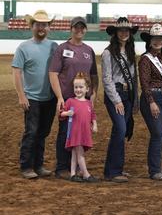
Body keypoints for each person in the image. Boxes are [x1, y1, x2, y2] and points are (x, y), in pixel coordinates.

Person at [49, 16, 98, 180]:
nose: (79, 30)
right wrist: (59, 97)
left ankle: (75, 167)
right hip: (68, 99)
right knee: (65, 132)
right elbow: (53, 73)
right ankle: (62, 167)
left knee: (80, 132)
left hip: (83, 100)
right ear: (71, 28)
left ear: (85, 29)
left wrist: (93, 94)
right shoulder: (62, 49)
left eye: (82, 27)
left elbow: (93, 75)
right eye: (76, 27)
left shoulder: (88, 50)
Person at [12, 10, 58, 179]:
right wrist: (21, 96)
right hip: (31, 98)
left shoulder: (54, 47)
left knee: (43, 132)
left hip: (50, 98)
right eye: (38, 24)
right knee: (31, 132)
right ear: (32, 26)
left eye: (44, 25)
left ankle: (38, 165)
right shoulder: (23, 47)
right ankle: (26, 166)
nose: (41, 28)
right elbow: (17, 72)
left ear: (49, 27)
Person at [102, 17, 139, 183]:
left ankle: (113, 169)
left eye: (127, 31)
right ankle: (114, 171)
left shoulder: (131, 52)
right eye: (121, 30)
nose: (124, 33)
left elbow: (133, 77)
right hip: (115, 94)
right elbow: (107, 79)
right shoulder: (108, 53)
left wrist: (133, 99)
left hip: (128, 94)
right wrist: (116, 100)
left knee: (119, 131)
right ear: (116, 33)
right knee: (120, 128)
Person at [139, 24, 162, 181]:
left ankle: (157, 166)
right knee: (158, 133)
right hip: (153, 98)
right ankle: (154, 170)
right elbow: (144, 83)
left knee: (160, 134)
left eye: (161, 39)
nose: (158, 41)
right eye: (155, 38)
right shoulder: (145, 59)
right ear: (150, 40)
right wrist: (151, 102)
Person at [60, 72, 98, 182]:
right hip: (75, 133)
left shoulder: (88, 103)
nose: (78, 90)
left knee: (75, 154)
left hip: (85, 132)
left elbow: (92, 115)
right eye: (76, 87)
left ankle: (72, 174)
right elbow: (61, 113)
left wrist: (94, 124)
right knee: (80, 153)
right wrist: (67, 113)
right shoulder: (70, 101)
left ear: (87, 89)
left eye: (81, 87)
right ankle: (86, 174)